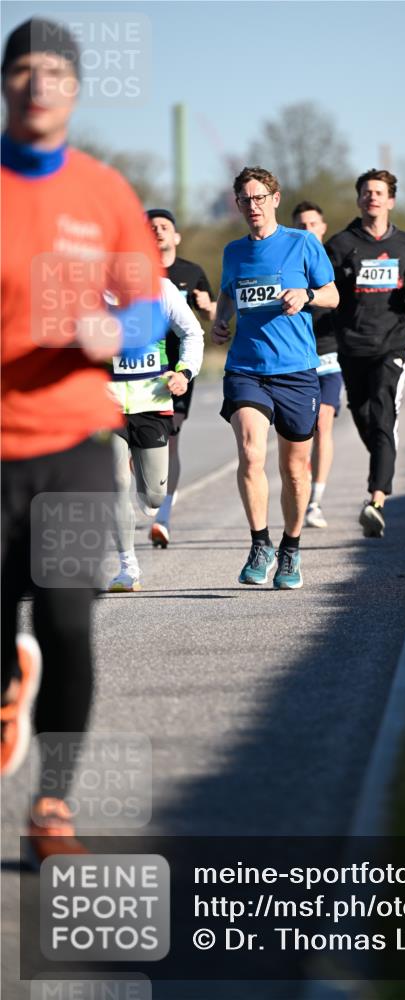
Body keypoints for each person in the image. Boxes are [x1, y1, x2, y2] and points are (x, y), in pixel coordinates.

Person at [0, 18, 165, 860]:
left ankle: (53, 804)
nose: (39, 85)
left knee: (67, 619)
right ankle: (8, 684)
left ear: (75, 89)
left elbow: (147, 305)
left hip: (71, 444)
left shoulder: (103, 192)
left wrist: (115, 330)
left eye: (56, 73)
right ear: (5, 83)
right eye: (23, 70)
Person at [211, 167, 339, 589]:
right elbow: (228, 292)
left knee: (295, 469)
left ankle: (291, 548)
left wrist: (307, 295)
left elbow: (333, 295)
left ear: (275, 199)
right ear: (238, 205)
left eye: (260, 198)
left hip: (297, 371)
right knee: (251, 453)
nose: (253, 206)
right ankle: (260, 543)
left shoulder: (303, 243)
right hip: (246, 368)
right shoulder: (233, 251)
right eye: (245, 200)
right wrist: (221, 320)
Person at [326, 169, 405, 538]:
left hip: (391, 343)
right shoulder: (339, 244)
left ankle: (376, 500)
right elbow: (323, 291)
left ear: (391, 200)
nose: (372, 197)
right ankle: (383, 461)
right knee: (363, 416)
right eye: (366, 192)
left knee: (383, 413)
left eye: (379, 192)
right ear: (358, 200)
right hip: (352, 344)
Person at [107, 276, 204, 591]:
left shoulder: (161, 288)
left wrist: (184, 372)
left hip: (152, 400)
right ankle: (128, 568)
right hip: (105, 404)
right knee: (115, 483)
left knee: (152, 498)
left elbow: (192, 332)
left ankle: (144, 484)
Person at [145, 208, 216, 548]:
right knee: (133, 447)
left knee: (169, 439)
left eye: (164, 226)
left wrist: (208, 306)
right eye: (151, 227)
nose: (157, 231)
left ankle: (163, 516)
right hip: (138, 369)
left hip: (177, 370)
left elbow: (212, 318)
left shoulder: (192, 272)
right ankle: (144, 496)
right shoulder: (133, 273)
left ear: (176, 236)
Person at [291, 201, 341, 528]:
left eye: (313, 224)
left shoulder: (335, 262)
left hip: (329, 356)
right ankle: (302, 490)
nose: (308, 230)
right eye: (301, 225)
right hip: (297, 358)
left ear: (322, 228)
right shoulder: (288, 263)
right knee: (301, 432)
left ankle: (316, 502)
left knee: (323, 422)